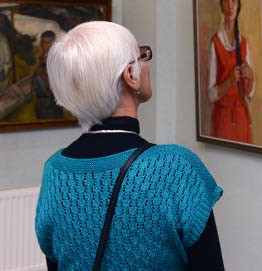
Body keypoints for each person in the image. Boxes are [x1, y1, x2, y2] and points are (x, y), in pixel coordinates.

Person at [34, 21, 224, 270]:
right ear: (130, 76)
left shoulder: (55, 171)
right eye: (141, 56)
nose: (146, 65)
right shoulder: (175, 167)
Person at [207, 0, 255, 143]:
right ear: (221, 5)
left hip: (242, 120)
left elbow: (250, 94)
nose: (230, 6)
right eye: (226, 1)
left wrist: (251, 76)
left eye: (234, 0)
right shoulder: (215, 43)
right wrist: (228, 82)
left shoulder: (244, 43)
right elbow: (211, 95)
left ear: (239, 4)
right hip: (222, 122)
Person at [31, 30, 64, 119]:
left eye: (49, 42)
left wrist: (42, 73)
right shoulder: (41, 59)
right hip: (41, 105)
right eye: (44, 42)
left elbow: (53, 88)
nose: (46, 46)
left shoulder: (57, 62)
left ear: (54, 44)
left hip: (52, 106)